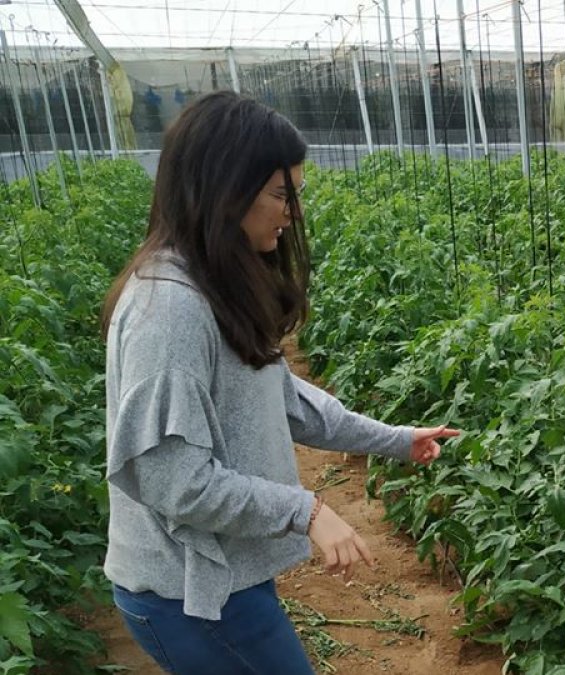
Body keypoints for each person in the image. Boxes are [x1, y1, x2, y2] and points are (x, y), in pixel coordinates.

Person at [100, 90, 459, 674]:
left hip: (220, 580)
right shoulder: (169, 309)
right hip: (187, 598)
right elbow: (174, 481)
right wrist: (307, 510)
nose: (292, 212)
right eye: (279, 194)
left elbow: (283, 398)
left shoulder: (211, 286)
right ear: (224, 192)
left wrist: (396, 437)